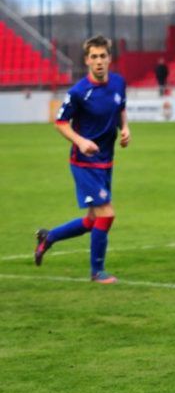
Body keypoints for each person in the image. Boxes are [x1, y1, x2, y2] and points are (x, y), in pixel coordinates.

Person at [34, 35, 130, 284]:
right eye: (94, 57)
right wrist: (80, 141)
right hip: (84, 164)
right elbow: (60, 122)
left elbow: (120, 108)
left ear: (110, 59)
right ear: (87, 60)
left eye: (103, 56)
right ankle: (97, 272)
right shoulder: (78, 92)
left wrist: (126, 129)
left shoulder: (119, 83)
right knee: (106, 215)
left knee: (91, 220)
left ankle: (49, 238)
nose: (99, 61)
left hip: (106, 161)